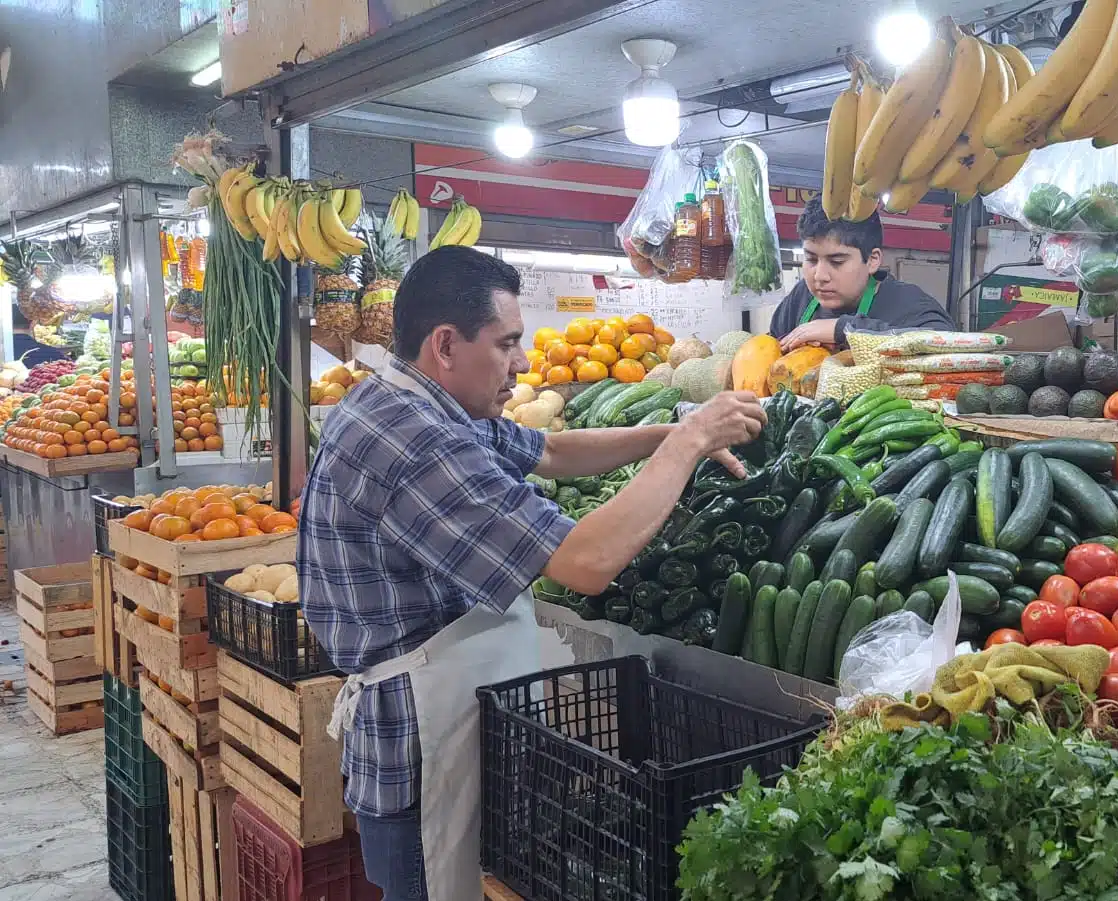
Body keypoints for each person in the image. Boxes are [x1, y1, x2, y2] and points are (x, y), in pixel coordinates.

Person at [297, 246, 766, 901]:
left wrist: (675, 430)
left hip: (448, 725)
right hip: (420, 750)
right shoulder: (414, 436)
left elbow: (550, 449)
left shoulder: (422, 403)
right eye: (507, 342)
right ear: (445, 345)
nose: (521, 361)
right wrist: (688, 445)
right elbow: (587, 562)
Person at [769, 197, 956, 352]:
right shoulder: (801, 297)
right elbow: (768, 350)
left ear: (873, 260)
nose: (819, 276)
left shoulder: (909, 304)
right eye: (811, 259)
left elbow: (947, 343)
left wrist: (844, 329)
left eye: (837, 262)